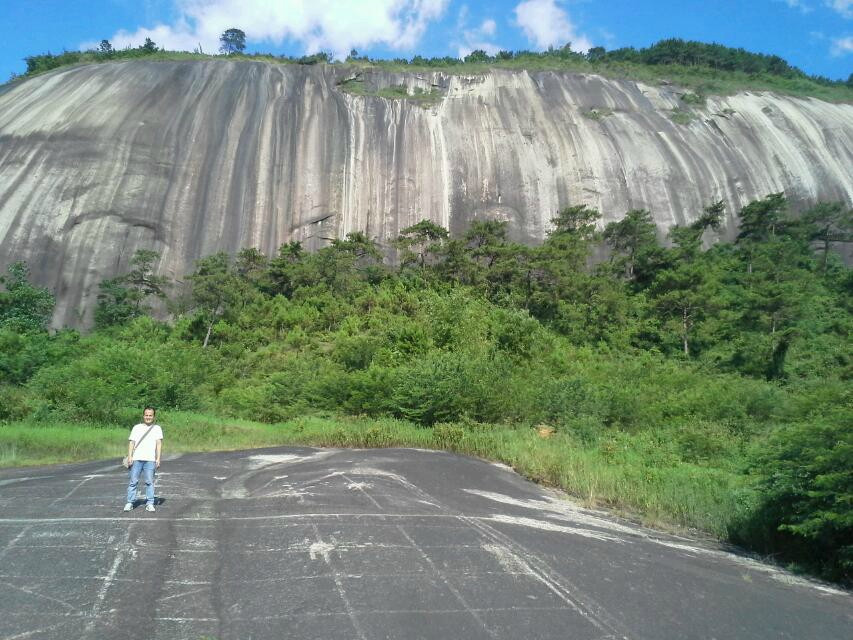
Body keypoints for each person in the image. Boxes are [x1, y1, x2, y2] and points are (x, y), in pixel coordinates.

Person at [124, 406, 163, 512]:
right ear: (143, 415)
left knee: (149, 482)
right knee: (133, 481)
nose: (148, 417)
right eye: (146, 415)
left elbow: (158, 444)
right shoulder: (136, 427)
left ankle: (150, 503)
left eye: (150, 415)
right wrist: (130, 456)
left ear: (153, 416)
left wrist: (158, 458)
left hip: (150, 459)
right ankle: (130, 502)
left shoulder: (157, 428)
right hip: (136, 459)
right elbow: (131, 443)